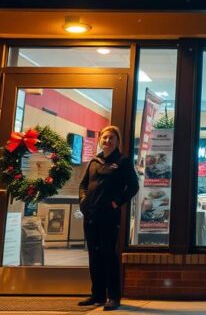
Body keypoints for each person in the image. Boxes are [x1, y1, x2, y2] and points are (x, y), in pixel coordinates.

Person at [77, 126, 140, 311]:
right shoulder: (93, 161)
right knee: (94, 255)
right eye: (105, 138)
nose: (107, 141)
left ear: (117, 142)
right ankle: (97, 294)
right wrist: (83, 202)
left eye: (111, 138)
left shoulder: (122, 161)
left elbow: (133, 186)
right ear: (100, 140)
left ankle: (113, 296)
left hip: (109, 216)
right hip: (91, 216)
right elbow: (83, 185)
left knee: (108, 255)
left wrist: (117, 202)